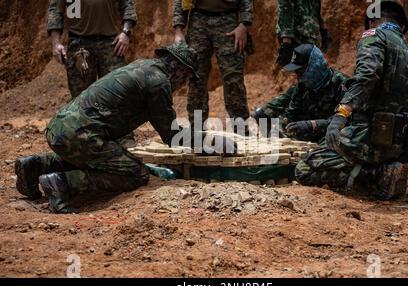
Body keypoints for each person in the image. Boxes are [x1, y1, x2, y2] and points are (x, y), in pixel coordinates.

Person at [14, 43, 236, 214]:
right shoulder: (158, 83)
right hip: (81, 135)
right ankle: (61, 184)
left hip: (61, 129)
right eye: (187, 77)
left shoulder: (143, 66)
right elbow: (172, 136)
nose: (184, 83)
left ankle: (36, 165)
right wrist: (214, 142)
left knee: (100, 157)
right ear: (179, 69)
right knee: (135, 173)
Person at [295, 0, 408, 200]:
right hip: (399, 142)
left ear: (373, 21)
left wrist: (341, 115)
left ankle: (378, 175)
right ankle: (386, 167)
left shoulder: (374, 36)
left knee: (305, 167)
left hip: (371, 138)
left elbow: (366, 77)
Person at [172, 0, 253, 129]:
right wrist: (178, 29)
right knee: (196, 77)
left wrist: (243, 25)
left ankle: (241, 127)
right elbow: (180, 1)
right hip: (198, 22)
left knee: (233, 76)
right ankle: (197, 129)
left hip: (229, 21)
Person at [252, 44, 349, 142]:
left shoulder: (342, 85)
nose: (299, 77)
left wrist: (313, 124)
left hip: (335, 139)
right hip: (311, 140)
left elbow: (348, 121)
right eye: (297, 73)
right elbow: (291, 114)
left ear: (315, 65)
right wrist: (282, 128)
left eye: (301, 71)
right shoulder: (303, 86)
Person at [48, 0, 138, 98]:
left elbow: (127, 5)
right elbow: (55, 10)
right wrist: (55, 43)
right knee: (81, 98)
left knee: (118, 92)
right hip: (79, 43)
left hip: (109, 43)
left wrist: (126, 32)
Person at [276, 0, 331, 66]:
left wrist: (324, 31)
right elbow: (285, 11)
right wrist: (286, 42)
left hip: (311, 39)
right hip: (298, 40)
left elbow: (317, 9)